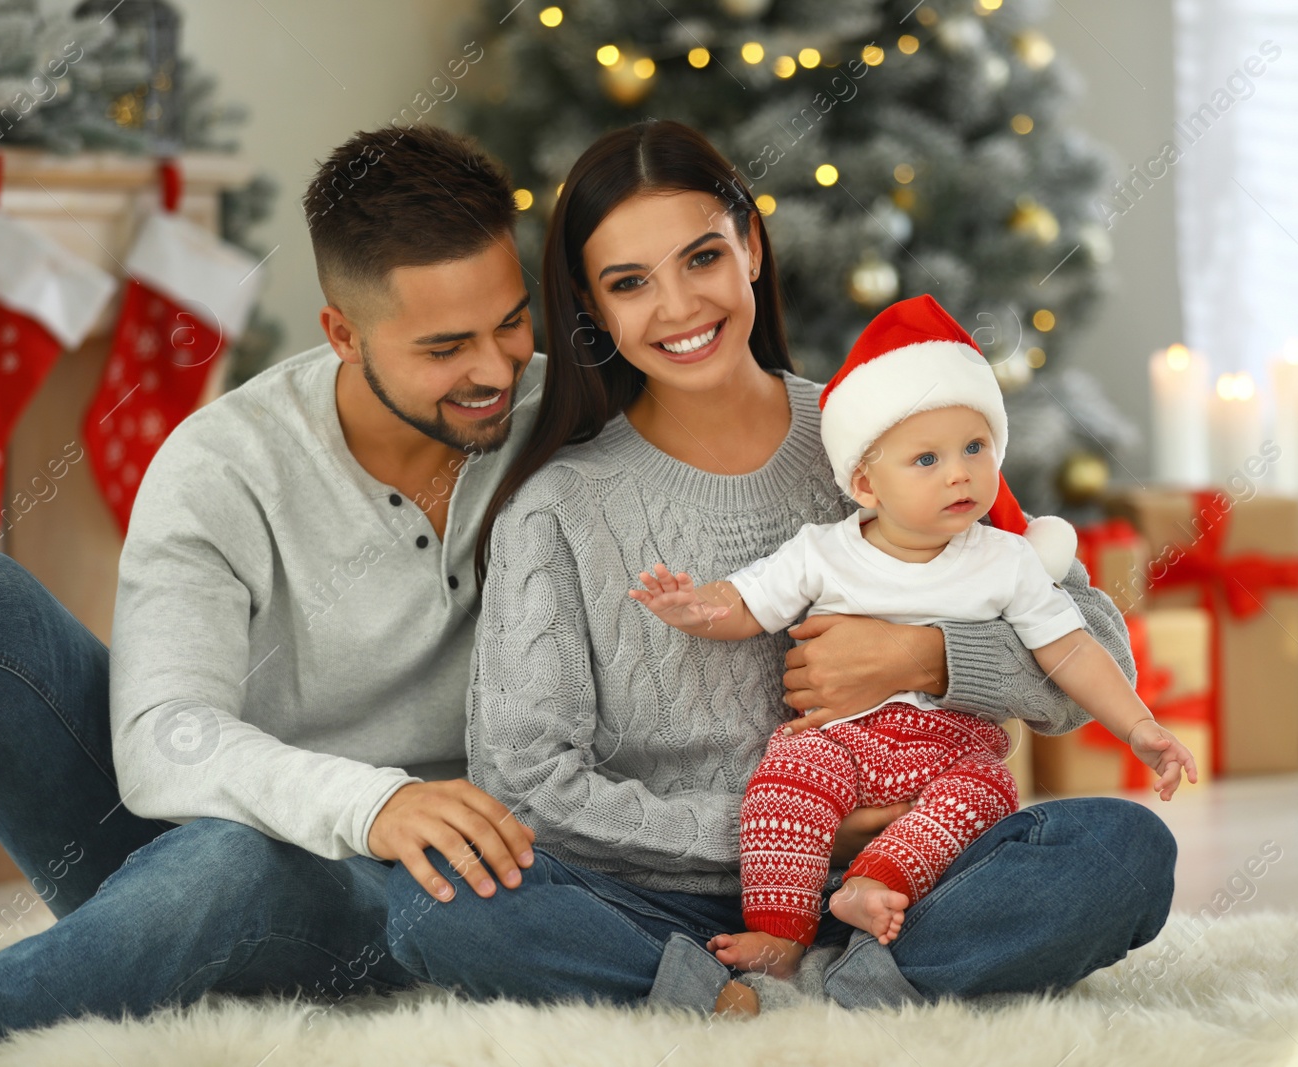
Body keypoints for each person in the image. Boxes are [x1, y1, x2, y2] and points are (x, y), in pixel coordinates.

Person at [383, 119, 1178, 1016]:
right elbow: (526, 782)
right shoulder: (558, 508)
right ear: (591, 306)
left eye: (702, 258)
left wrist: (926, 656)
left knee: (1122, 848)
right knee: (436, 906)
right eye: (630, 283)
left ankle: (860, 975)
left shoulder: (883, 433)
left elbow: (1091, 649)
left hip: (903, 873)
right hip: (657, 899)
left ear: (751, 248)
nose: (679, 306)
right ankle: (713, 986)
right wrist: (793, 834)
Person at [0, 125, 543, 1043]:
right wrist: (372, 802)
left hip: (428, 888)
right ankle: (128, 942)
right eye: (446, 347)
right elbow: (165, 741)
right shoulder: (225, 462)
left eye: (513, 322)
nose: (495, 370)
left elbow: (789, 430)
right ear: (341, 334)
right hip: (231, 833)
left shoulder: (562, 418)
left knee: (226, 864)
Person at [630, 293, 1200, 979]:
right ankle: (780, 936)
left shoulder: (1009, 558)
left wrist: (1139, 726)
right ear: (866, 483)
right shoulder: (822, 551)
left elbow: (1074, 648)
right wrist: (696, 609)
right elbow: (748, 602)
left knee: (989, 792)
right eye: (926, 459)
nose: (960, 471)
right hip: (838, 740)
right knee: (783, 785)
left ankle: (875, 884)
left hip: (951, 750)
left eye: (974, 447)